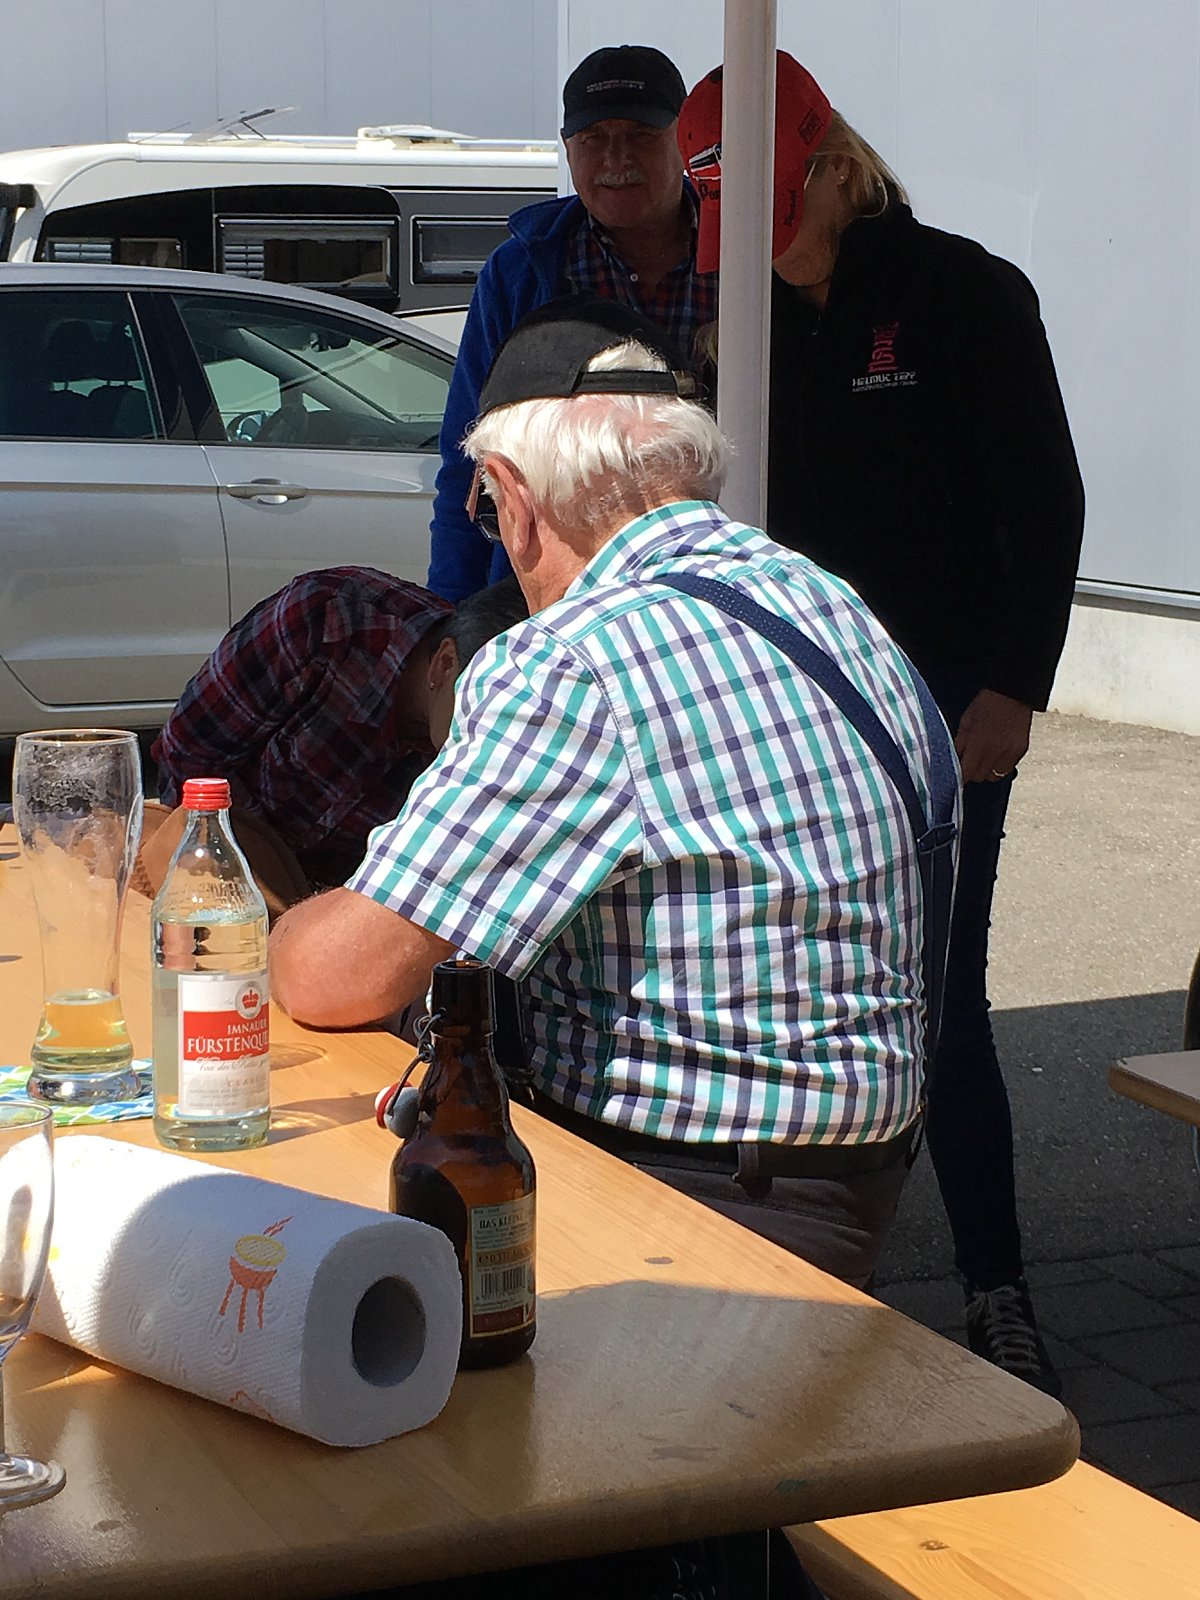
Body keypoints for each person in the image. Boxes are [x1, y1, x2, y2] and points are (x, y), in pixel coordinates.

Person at [271, 295, 957, 1295]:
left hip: (693, 1201)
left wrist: (270, 921)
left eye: (487, 513)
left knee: (312, 1269)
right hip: (856, 1176)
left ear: (515, 497)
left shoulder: (575, 660)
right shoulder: (821, 596)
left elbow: (335, 976)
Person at [678, 52, 1086, 1392]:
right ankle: (808, 1286)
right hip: (793, 717)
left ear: (835, 169)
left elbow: (1047, 499)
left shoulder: (961, 290)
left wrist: (1014, 684)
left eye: (776, 211)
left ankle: (997, 1288)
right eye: (733, 221)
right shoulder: (741, 325)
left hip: (949, 704)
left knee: (939, 996)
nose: (764, 245)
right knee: (797, 988)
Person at [426, 42, 717, 603]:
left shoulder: (744, 256)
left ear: (683, 141)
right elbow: (468, 459)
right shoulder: (519, 271)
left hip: (713, 569)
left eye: (639, 135)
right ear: (567, 148)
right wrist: (452, 611)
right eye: (593, 139)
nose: (616, 159)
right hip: (555, 584)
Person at [143, 568, 527, 912]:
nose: (493, 745)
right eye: (486, 715)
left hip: (339, 916)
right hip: (218, 877)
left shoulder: (490, 744)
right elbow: (189, 751)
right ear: (444, 664)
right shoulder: (325, 620)